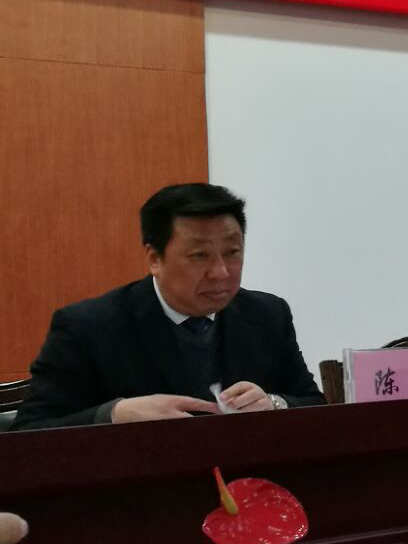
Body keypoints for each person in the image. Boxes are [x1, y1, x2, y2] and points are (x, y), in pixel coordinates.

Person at [12, 183, 322, 430]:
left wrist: (274, 403)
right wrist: (114, 414)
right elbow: (28, 432)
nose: (221, 272)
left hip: (247, 482)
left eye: (232, 252)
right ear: (154, 259)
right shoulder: (88, 327)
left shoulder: (268, 314)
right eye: (199, 256)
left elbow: (315, 406)